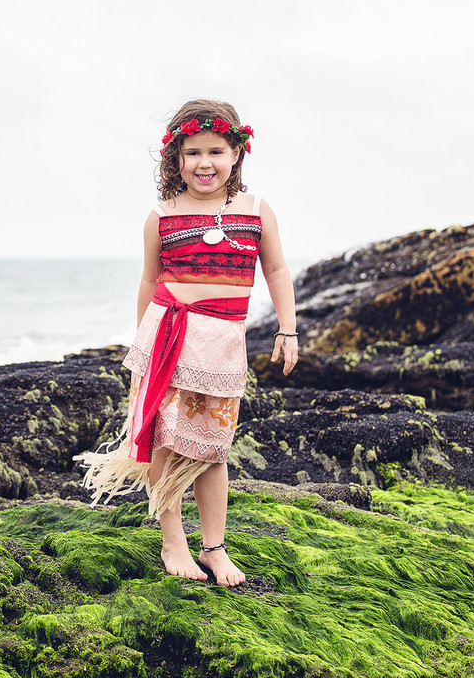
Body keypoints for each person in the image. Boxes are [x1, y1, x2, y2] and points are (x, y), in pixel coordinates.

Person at [74, 98, 298, 587]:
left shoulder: (256, 211)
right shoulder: (162, 214)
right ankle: (173, 540)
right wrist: (142, 350)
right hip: (169, 340)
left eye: (215, 151)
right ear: (176, 158)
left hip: (222, 348)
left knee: (212, 450)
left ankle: (214, 547)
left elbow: (277, 270)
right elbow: (149, 281)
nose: (204, 163)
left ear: (237, 153)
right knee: (165, 444)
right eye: (192, 152)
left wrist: (288, 328)